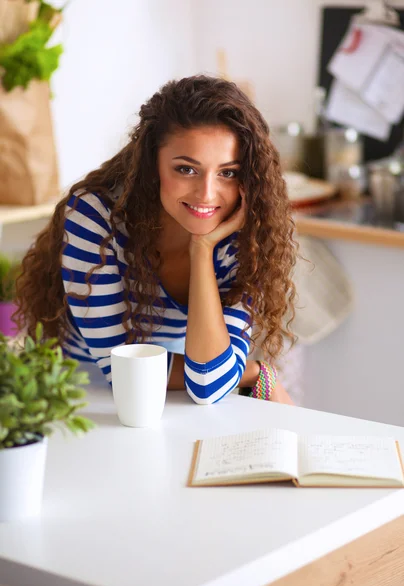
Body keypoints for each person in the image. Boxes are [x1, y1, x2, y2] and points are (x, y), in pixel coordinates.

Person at [15, 75, 297, 405]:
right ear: (153, 163)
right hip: (81, 400)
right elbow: (123, 370)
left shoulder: (240, 237)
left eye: (228, 172)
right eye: (186, 169)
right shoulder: (96, 218)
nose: (207, 193)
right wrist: (251, 373)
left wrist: (202, 248)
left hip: (175, 399)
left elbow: (208, 385)